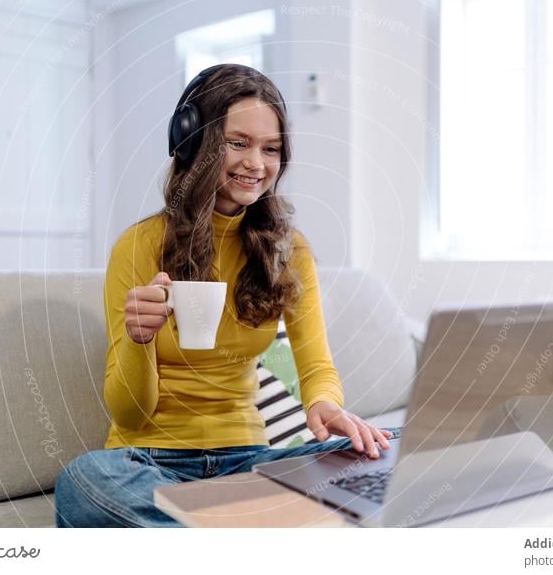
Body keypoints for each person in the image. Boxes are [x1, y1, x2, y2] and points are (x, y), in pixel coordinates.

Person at [54, 64, 400, 528]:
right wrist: (140, 341)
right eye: (237, 143)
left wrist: (325, 404)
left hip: (248, 463)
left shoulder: (288, 250)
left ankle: (224, 532)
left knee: (387, 446)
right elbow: (128, 414)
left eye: (271, 148)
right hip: (149, 462)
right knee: (84, 480)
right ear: (194, 142)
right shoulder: (138, 247)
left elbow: (316, 366)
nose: (256, 163)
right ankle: (251, 536)